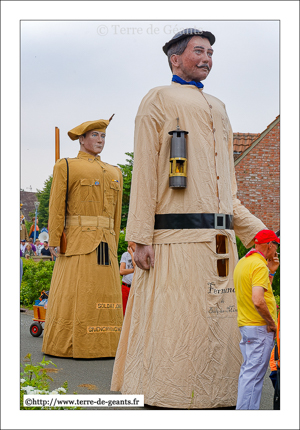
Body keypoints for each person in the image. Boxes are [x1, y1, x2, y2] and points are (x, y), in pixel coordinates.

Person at [111, 28, 267, 409]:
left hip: (220, 245)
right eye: (199, 51)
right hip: (174, 242)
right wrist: (139, 237)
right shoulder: (158, 99)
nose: (207, 58)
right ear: (175, 59)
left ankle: (221, 398)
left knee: (219, 323)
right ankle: (166, 398)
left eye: (211, 52)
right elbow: (146, 171)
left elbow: (228, 191)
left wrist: (260, 234)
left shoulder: (219, 106)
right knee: (178, 327)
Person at [42, 117, 123, 358]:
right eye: (95, 135)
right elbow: (56, 205)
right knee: (77, 291)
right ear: (82, 139)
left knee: (105, 294)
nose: (100, 140)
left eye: (104, 136)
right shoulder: (66, 166)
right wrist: (54, 238)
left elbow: (116, 215)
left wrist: (114, 243)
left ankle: (108, 345)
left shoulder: (115, 171)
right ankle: (69, 345)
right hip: (78, 241)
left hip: (105, 242)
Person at [233, 229, 280, 410]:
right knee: (253, 377)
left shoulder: (244, 262)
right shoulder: (259, 265)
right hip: (260, 328)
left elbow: (253, 290)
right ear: (270, 245)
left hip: (247, 325)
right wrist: (271, 323)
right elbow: (258, 300)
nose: (276, 250)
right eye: (276, 245)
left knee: (249, 373)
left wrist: (271, 273)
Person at [119, 241, 136, 316]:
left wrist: (132, 254)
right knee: (125, 312)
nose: (128, 241)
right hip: (126, 287)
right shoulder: (125, 255)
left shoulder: (139, 254)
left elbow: (137, 267)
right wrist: (134, 270)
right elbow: (121, 271)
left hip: (136, 287)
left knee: (135, 311)